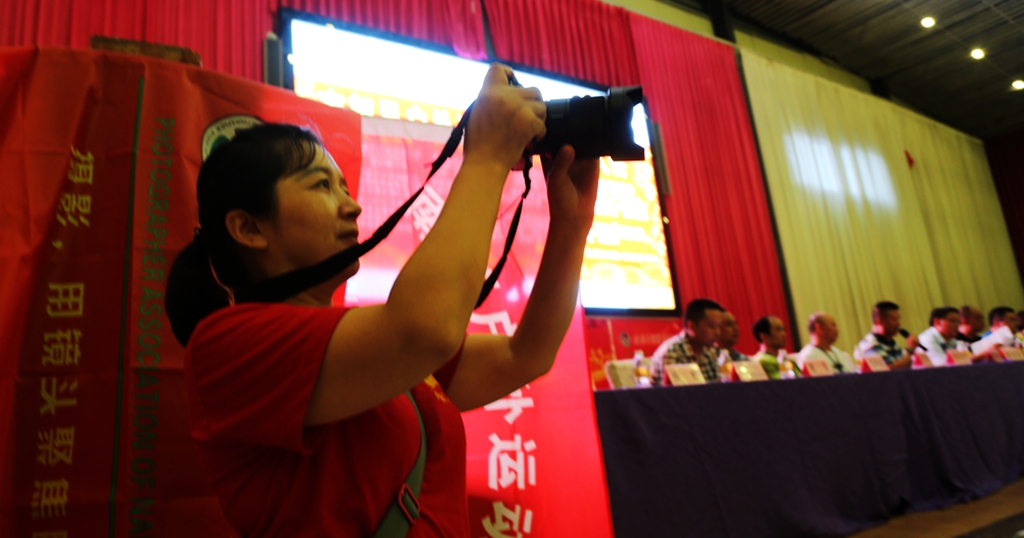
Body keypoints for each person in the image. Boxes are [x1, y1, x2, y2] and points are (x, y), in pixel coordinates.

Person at [164, 64, 601, 537]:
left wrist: (572, 225)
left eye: (343, 187)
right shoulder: (222, 348)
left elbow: (525, 354)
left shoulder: (371, 342)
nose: (352, 206)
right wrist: (486, 159)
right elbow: (424, 331)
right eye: (321, 185)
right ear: (249, 228)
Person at [651, 298, 724, 385]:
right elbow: (676, 392)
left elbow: (716, 388)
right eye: (712, 326)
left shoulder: (710, 350)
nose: (717, 332)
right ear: (691, 327)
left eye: (719, 327)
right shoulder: (673, 351)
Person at [854, 301, 918, 370]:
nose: (899, 324)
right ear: (879, 321)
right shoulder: (869, 344)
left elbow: (905, 366)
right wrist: (910, 350)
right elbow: (886, 371)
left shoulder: (892, 343)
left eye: (898, 320)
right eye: (894, 320)